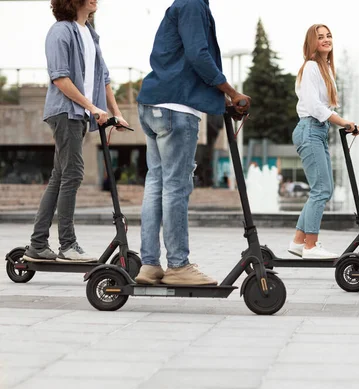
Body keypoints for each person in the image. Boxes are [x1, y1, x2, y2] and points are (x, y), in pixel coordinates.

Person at [135, 0, 250, 285]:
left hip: (154, 103)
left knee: (156, 183)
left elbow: (183, 62)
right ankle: (177, 265)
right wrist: (232, 91)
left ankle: (149, 264)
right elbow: (199, 56)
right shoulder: (193, 5)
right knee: (175, 185)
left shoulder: (180, 5)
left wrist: (221, 100)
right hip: (176, 109)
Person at [23, 0, 129, 263]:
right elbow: (60, 78)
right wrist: (92, 107)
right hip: (64, 112)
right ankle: (68, 245)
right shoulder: (60, 31)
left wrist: (116, 112)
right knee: (73, 173)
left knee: (60, 176)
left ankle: (38, 243)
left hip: (80, 114)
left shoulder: (90, 34)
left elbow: (103, 78)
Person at [287, 24, 359, 260]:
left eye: (329, 35)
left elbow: (323, 106)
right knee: (322, 190)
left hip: (317, 130)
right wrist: (343, 121)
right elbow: (314, 106)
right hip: (310, 128)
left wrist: (341, 122)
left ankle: (299, 242)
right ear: (312, 42)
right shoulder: (310, 67)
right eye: (320, 37)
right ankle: (311, 245)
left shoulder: (325, 68)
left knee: (322, 189)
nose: (326, 39)